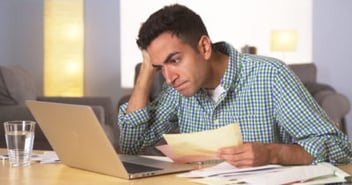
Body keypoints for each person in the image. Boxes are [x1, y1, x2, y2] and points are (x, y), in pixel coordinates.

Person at [118, 4, 352, 167]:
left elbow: (340, 147)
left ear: (204, 47)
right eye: (161, 67)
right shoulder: (178, 90)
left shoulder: (270, 75)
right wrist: (147, 68)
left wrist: (273, 153)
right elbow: (131, 146)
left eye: (175, 60)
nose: (169, 78)